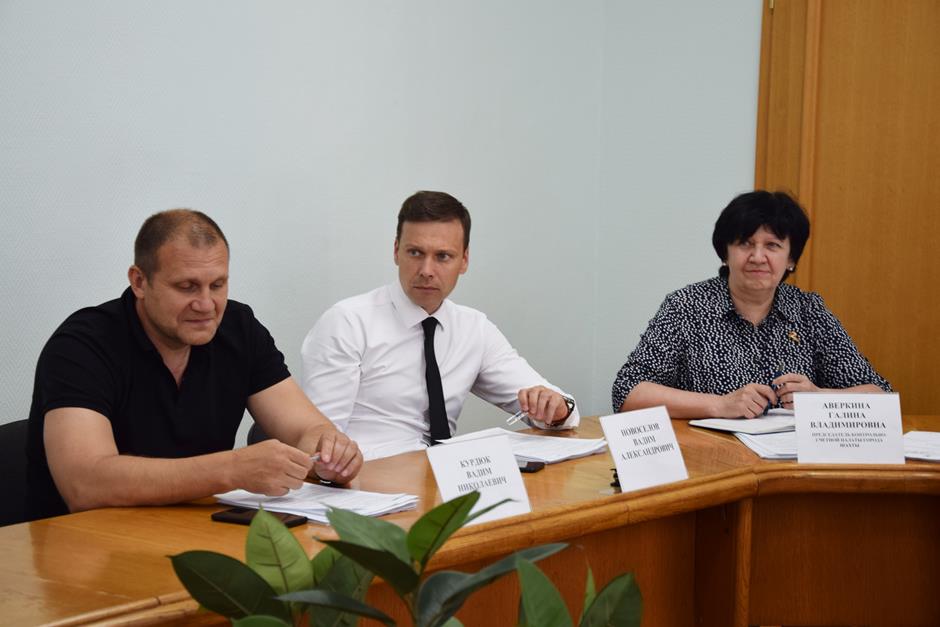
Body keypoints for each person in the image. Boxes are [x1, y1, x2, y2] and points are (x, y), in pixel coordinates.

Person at [26, 209, 362, 521]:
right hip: (83, 542)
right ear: (139, 282)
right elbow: (85, 485)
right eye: (186, 287)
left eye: (217, 285)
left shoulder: (238, 328)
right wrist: (231, 469)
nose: (206, 305)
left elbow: (304, 429)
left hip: (194, 529)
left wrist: (330, 453)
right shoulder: (81, 345)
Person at [300, 191, 579, 460]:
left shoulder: (474, 328)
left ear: (464, 261)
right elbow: (318, 442)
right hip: (366, 476)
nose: (426, 270)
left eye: (443, 256)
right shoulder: (348, 322)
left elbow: (561, 410)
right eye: (415, 253)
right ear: (396, 251)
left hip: (444, 477)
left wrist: (555, 409)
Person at [611, 190, 890, 419]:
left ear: (791, 259)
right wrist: (720, 405)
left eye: (772, 245)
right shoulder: (687, 306)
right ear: (725, 253)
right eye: (745, 243)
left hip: (791, 462)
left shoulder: (809, 310)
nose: (758, 257)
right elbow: (627, 392)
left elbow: (880, 395)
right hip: (710, 459)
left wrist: (818, 398)